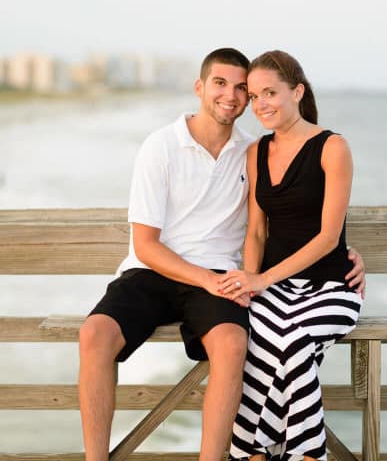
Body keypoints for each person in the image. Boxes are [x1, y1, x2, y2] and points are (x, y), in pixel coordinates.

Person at [76, 48, 365, 461]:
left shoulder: (251, 151)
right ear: (200, 87)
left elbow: (289, 220)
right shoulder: (161, 146)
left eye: (241, 89)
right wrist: (216, 279)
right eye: (220, 83)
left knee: (233, 343)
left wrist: (346, 253)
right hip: (154, 271)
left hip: (222, 277)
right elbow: (146, 246)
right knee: (93, 335)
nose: (231, 95)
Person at [218, 50, 363, 461]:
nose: (261, 103)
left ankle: (258, 451)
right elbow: (257, 231)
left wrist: (260, 279)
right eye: (255, 94)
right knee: (257, 339)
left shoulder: (332, 147)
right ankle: (285, 453)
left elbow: (327, 237)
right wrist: (250, 283)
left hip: (332, 286)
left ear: (297, 92)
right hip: (273, 288)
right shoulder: (256, 152)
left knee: (294, 342)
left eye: (271, 92)